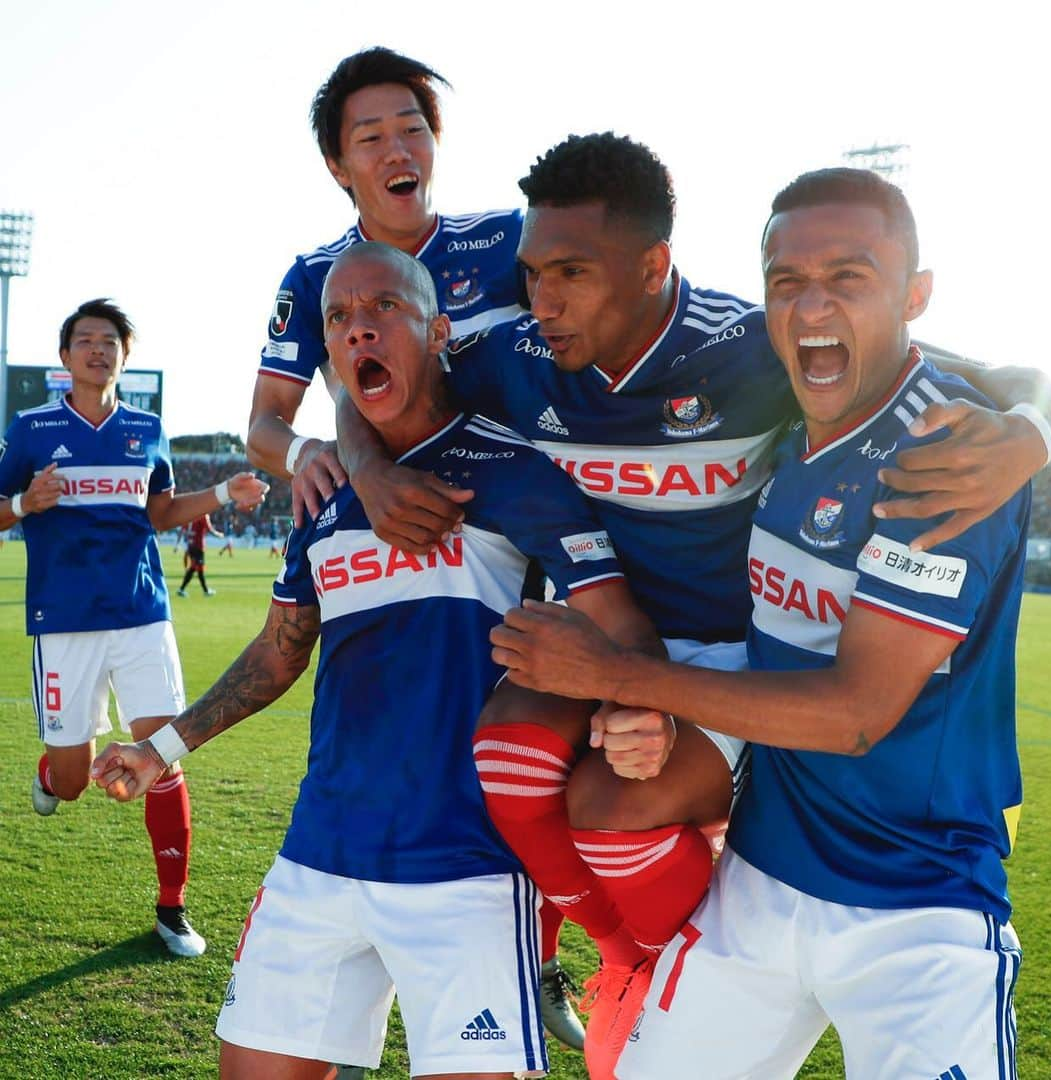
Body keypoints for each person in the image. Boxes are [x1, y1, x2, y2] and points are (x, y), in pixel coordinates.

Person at [336, 133, 1051, 1078]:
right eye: (787, 281)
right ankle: (629, 955)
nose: (541, 299)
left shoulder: (886, 424)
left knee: (605, 809)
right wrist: (357, 459)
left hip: (905, 890)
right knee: (513, 762)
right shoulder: (537, 360)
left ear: (652, 267)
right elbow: (388, 376)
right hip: (747, 837)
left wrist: (1036, 425)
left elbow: (853, 712)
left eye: (571, 273)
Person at [92, 245, 659, 1078]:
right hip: (318, 857)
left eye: (382, 308)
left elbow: (622, 625)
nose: (358, 328)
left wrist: (630, 706)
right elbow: (280, 652)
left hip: (467, 870)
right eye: (337, 319)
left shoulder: (513, 470)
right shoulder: (324, 499)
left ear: (437, 330)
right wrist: (159, 749)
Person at [0, 298, 268, 958]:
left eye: (110, 340)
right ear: (65, 357)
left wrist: (224, 495)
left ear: (125, 354)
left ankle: (172, 909)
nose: (98, 349)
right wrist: (22, 503)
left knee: (164, 754)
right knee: (72, 780)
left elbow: (160, 513)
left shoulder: (147, 428)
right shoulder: (30, 428)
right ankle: (52, 771)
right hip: (63, 623)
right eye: (85, 339)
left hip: (143, 614)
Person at [247, 47, 524, 502]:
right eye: (371, 139)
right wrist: (306, 453)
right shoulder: (316, 276)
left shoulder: (509, 239)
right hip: (403, 511)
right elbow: (264, 427)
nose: (398, 151)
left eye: (413, 130)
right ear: (338, 168)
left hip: (523, 497)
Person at [178, 512, 222, 596]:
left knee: (196, 568)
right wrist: (218, 534)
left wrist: (178, 543)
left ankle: (183, 589)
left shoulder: (191, 514)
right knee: (197, 568)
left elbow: (184, 529)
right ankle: (205, 591)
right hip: (198, 546)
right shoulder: (203, 515)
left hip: (191, 546)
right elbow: (209, 529)